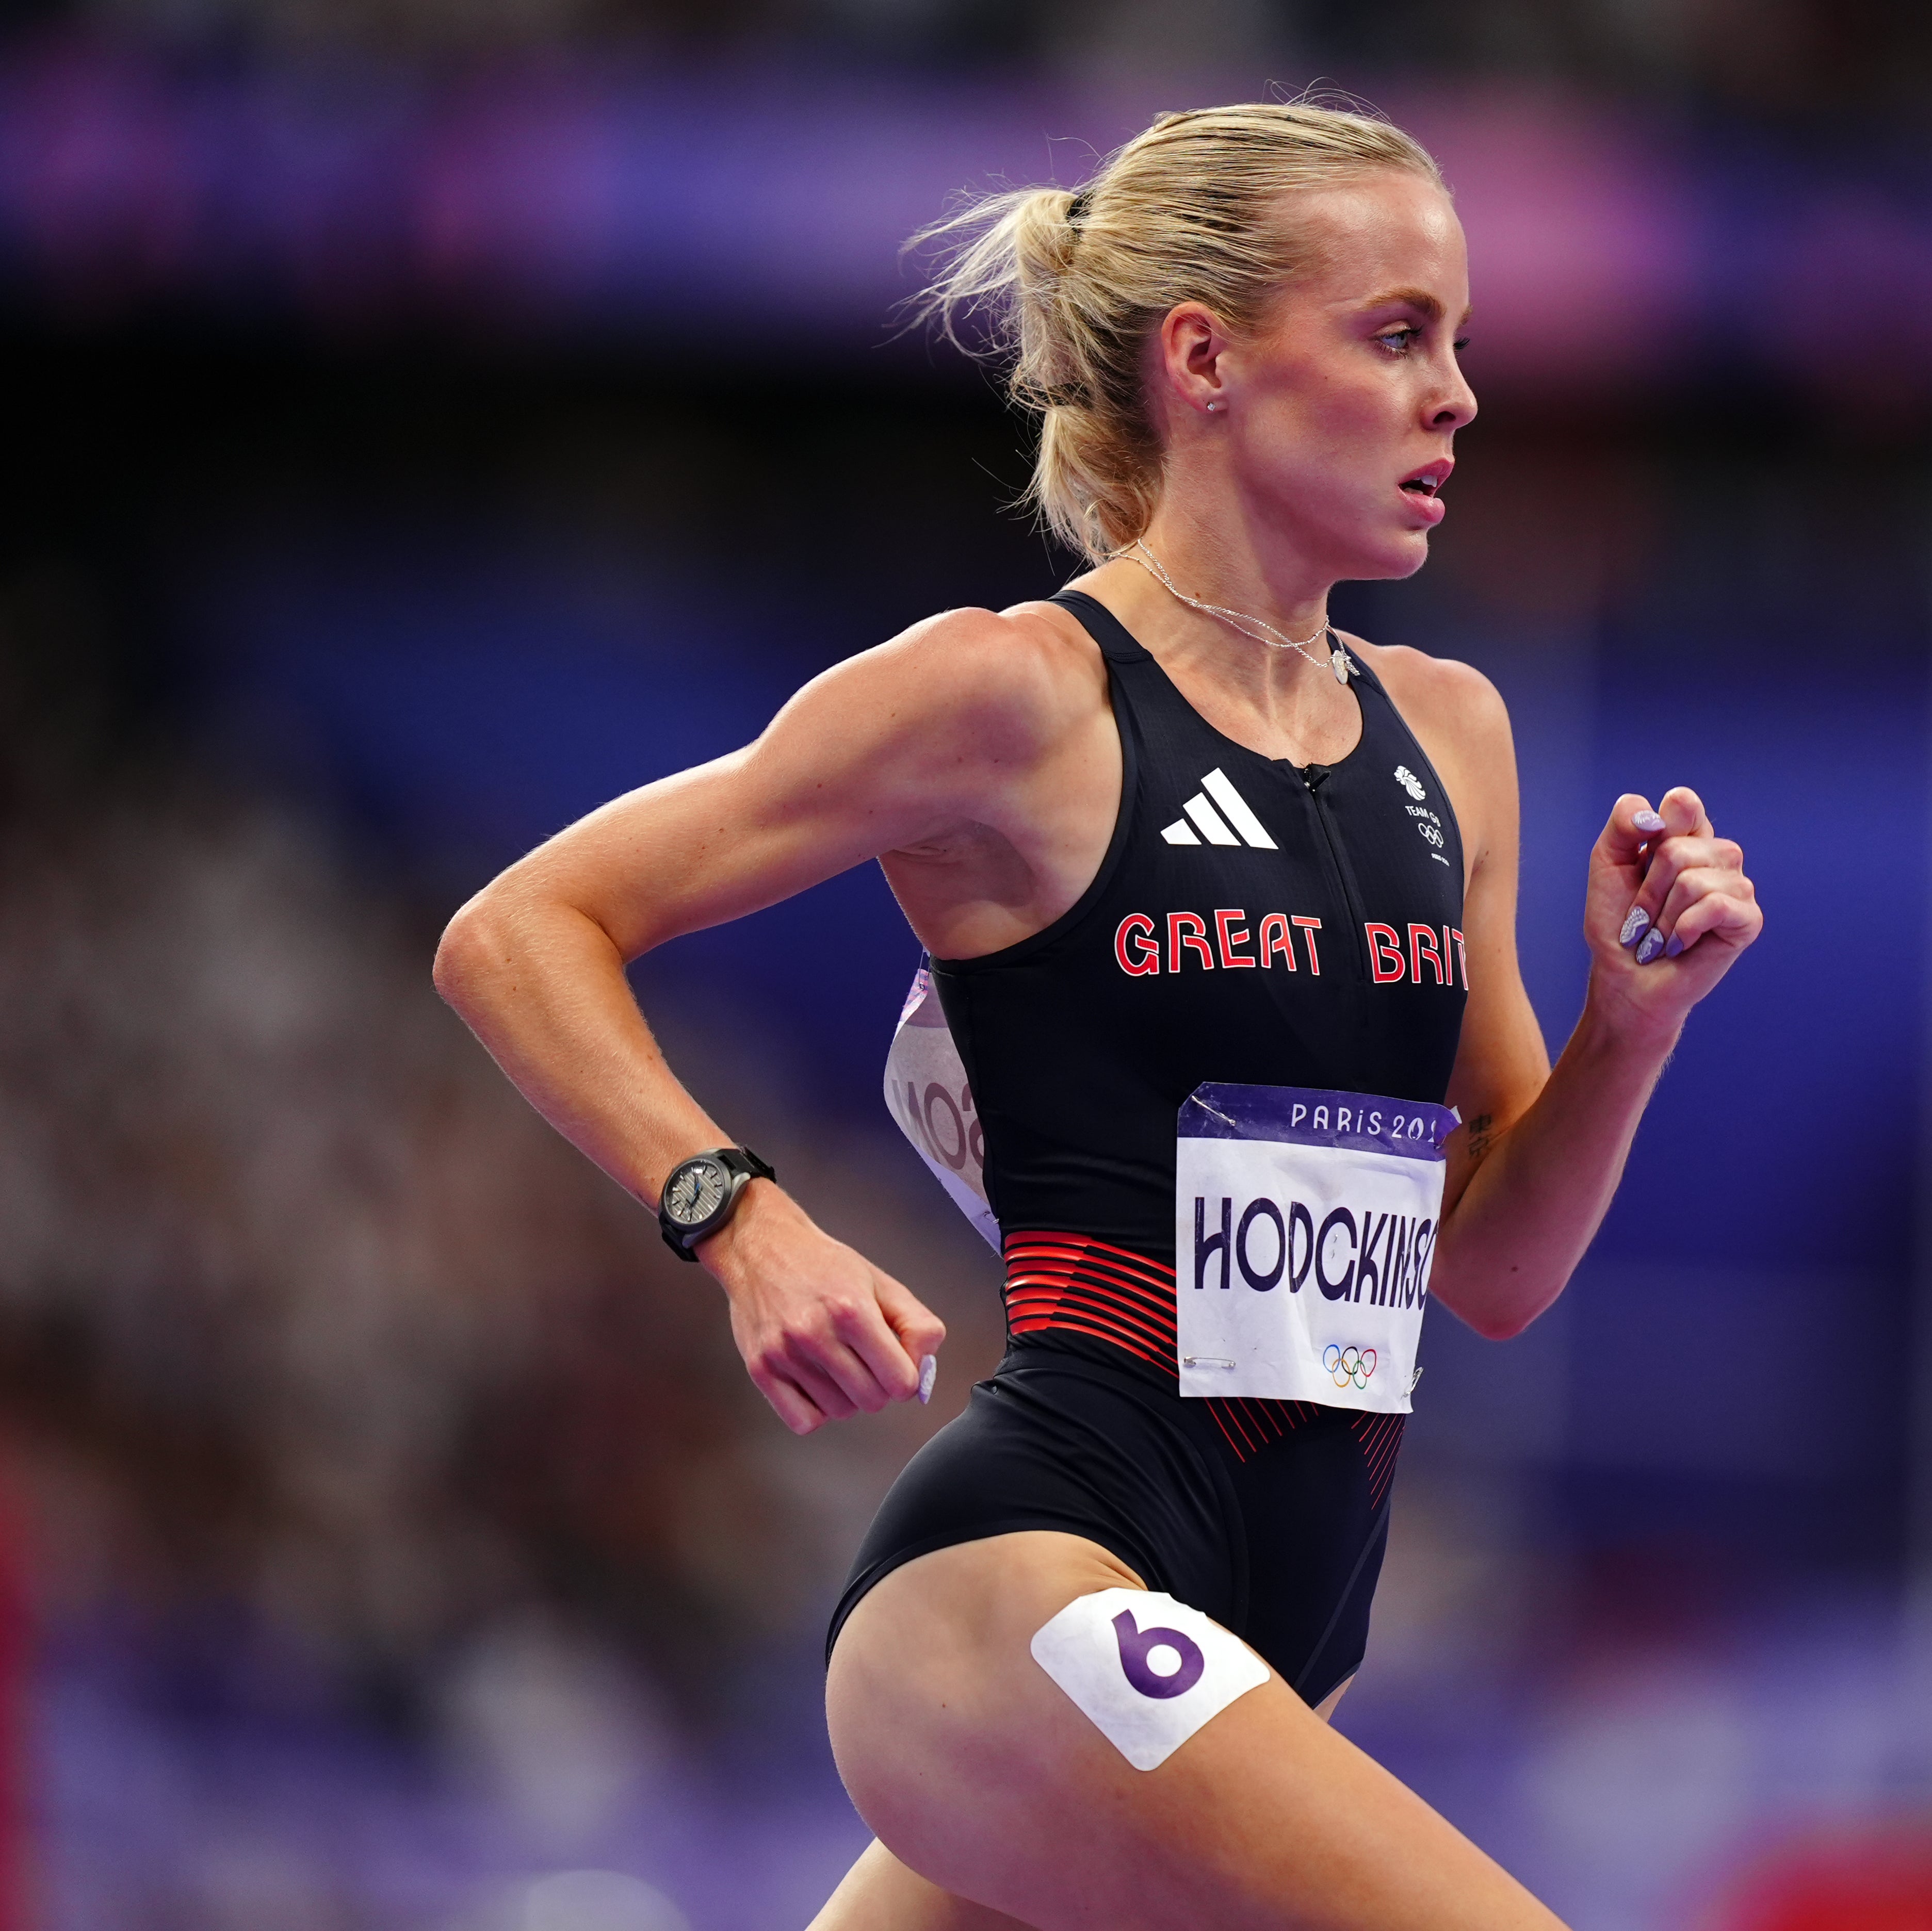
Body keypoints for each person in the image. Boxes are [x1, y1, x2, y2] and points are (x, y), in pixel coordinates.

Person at [433, 100, 1763, 1930]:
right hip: (1031, 1596)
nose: (1456, 393)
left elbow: (1494, 1266)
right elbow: (522, 926)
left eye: (1458, 340)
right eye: (1396, 334)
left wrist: (1636, 1021)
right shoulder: (1014, 700)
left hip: (1274, 1643)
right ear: (1203, 360)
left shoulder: (1451, 732)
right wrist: (738, 1218)